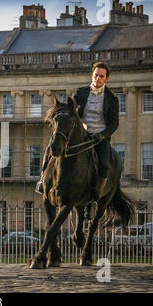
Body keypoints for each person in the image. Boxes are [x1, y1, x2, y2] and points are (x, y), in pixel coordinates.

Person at [35, 62, 119, 211]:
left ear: (106, 79)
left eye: (101, 76)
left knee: (104, 165)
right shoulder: (81, 92)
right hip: (82, 134)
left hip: (99, 138)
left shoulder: (112, 99)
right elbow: (71, 108)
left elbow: (114, 124)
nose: (97, 78)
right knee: (51, 148)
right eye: (95, 75)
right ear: (91, 75)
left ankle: (94, 198)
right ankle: (42, 181)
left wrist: (102, 135)